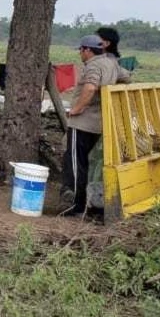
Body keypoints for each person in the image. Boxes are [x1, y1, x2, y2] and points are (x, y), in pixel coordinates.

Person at [61, 35, 122, 216]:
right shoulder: (111, 64)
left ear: (87, 50)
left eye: (81, 50)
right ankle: (86, 204)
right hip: (98, 123)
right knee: (85, 163)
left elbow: (89, 88)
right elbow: (126, 78)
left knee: (75, 164)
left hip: (82, 124)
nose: (80, 53)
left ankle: (76, 205)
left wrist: (76, 109)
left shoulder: (93, 66)